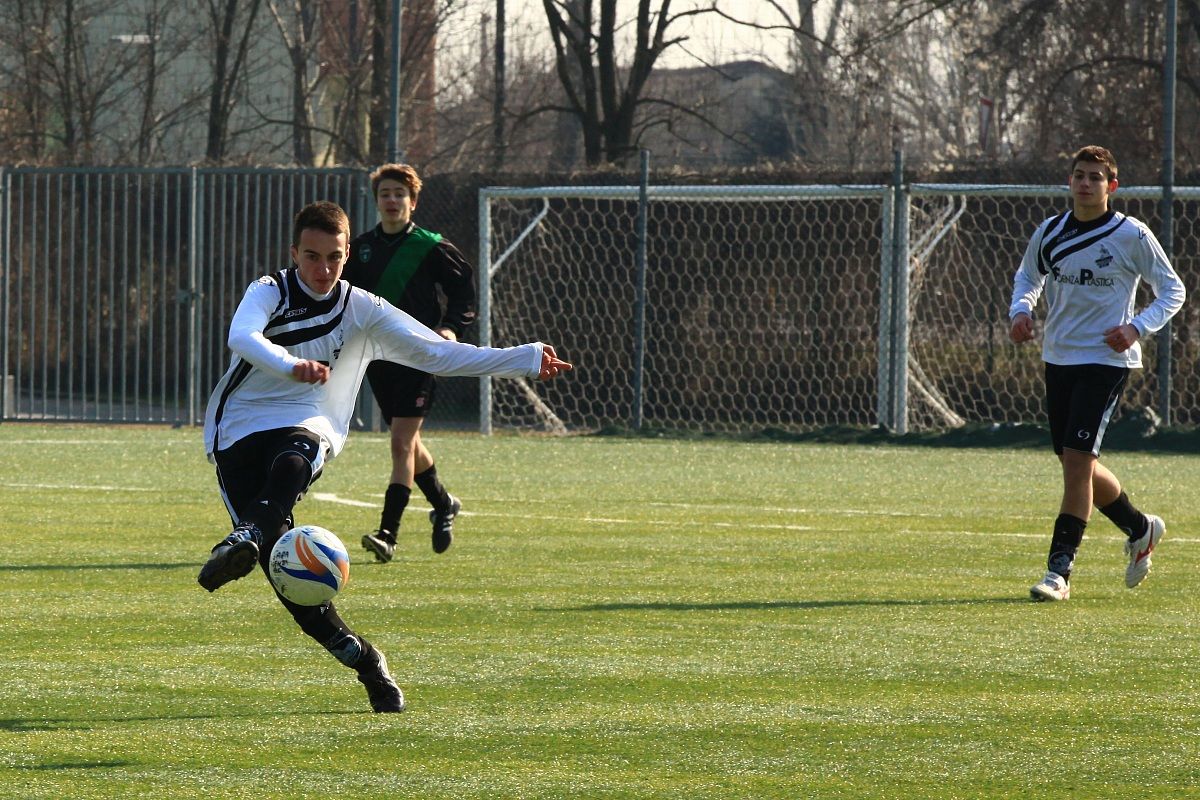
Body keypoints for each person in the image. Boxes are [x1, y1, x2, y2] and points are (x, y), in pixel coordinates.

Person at [197, 201, 572, 711]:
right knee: (289, 579)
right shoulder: (269, 290)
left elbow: (436, 353)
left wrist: (524, 359)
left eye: (333, 257)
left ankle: (248, 533)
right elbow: (242, 337)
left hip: (310, 418)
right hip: (237, 428)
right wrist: (289, 365)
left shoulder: (361, 307)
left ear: (348, 254)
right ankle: (365, 659)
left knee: (295, 456)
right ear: (294, 253)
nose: (322, 269)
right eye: (311, 256)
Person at [1009, 145, 1185, 602]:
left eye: (1095, 177)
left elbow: (1173, 290)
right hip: (1059, 357)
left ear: (1112, 186)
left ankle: (1058, 572)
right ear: (1070, 181)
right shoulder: (1049, 232)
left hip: (1106, 362)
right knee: (1076, 461)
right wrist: (1021, 310)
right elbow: (1029, 276)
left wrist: (1136, 327)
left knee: (1077, 464)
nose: (1086, 184)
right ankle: (1139, 527)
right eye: (1079, 176)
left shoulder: (1131, 235)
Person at [343, 164, 474, 561]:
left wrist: (450, 329)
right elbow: (345, 297)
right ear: (377, 200)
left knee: (400, 443)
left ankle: (388, 533)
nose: (392, 200)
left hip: (418, 354)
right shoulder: (361, 248)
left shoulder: (430, 246)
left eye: (400, 193)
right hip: (379, 358)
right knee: (410, 442)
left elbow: (463, 290)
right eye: (385, 193)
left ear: (412, 201)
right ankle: (443, 502)